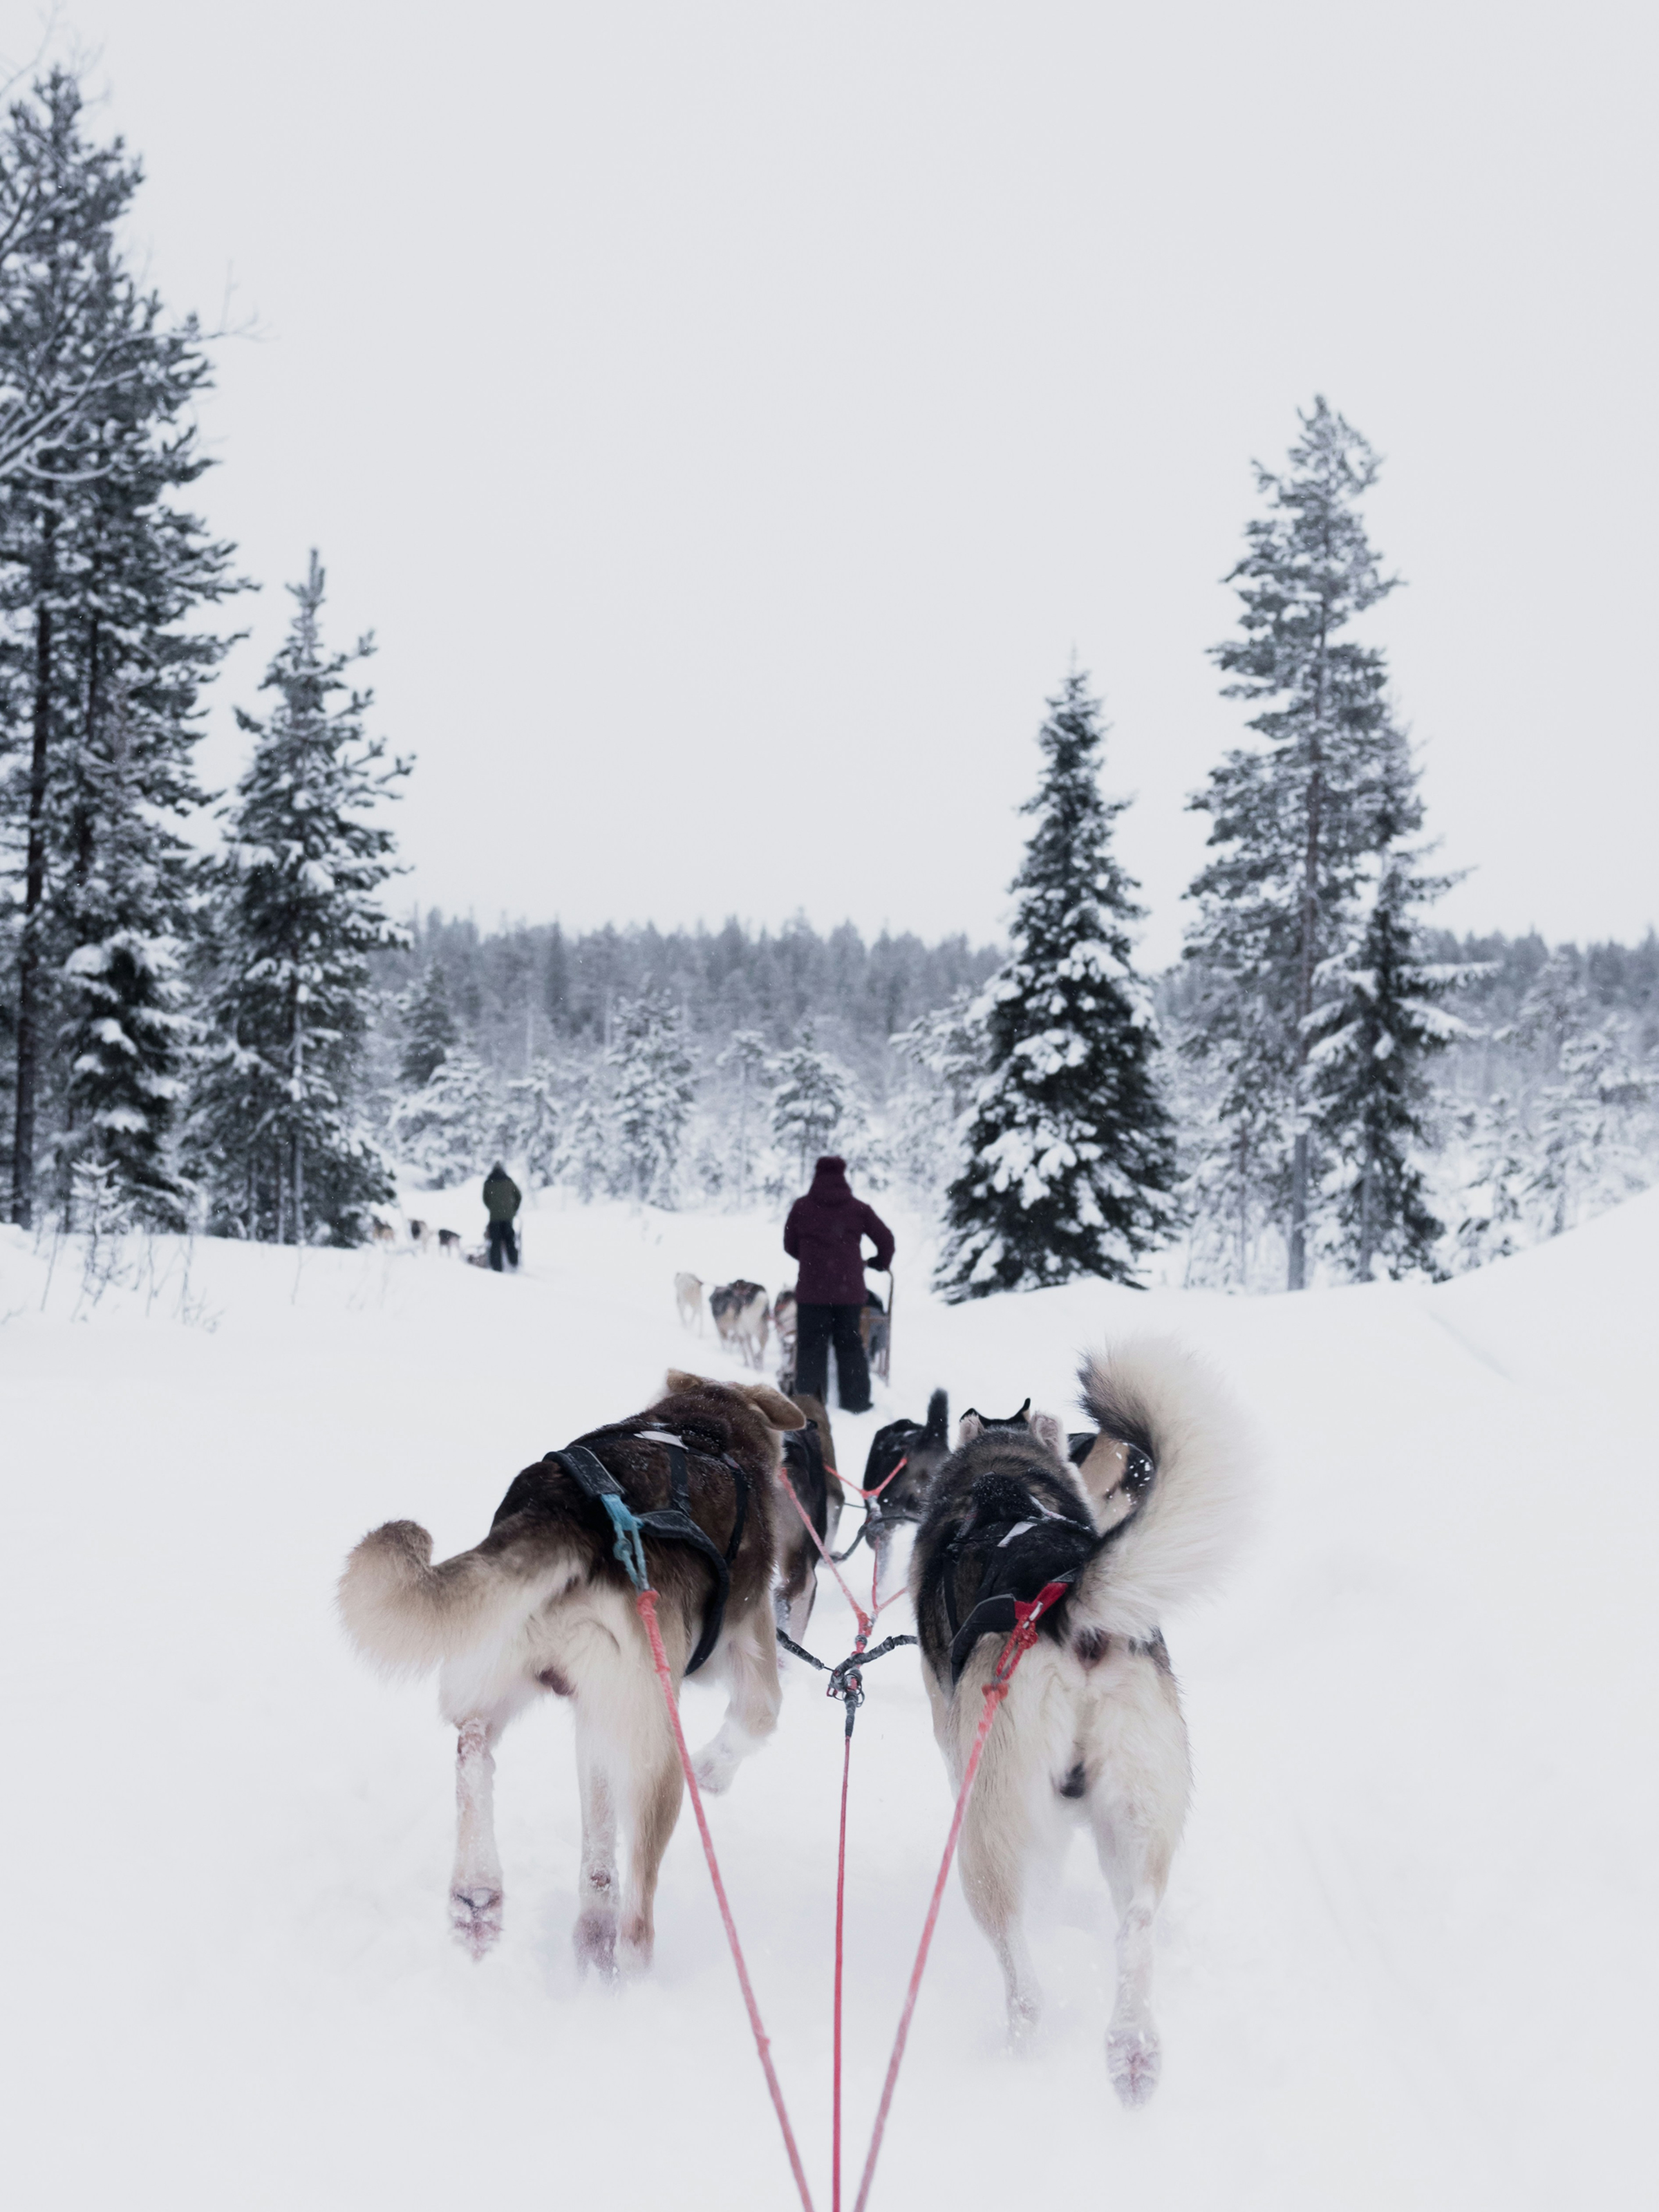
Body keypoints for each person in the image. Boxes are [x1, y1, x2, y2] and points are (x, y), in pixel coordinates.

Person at [782, 1154, 894, 1414]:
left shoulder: (802, 1207)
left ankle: (810, 1405)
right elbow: (886, 1239)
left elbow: (789, 1245)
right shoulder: (858, 1208)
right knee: (850, 1345)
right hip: (849, 1293)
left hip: (811, 1293)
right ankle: (855, 1402)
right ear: (843, 1176)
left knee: (811, 1347)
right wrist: (878, 1262)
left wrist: (812, 1260)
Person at [482, 1161, 521, 1271]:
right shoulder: (509, 1181)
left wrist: (493, 1208)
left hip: (494, 1218)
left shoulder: (488, 1182)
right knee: (509, 1239)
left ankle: (497, 1267)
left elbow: (485, 1199)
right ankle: (514, 1263)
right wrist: (513, 1210)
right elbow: (518, 1196)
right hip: (508, 1217)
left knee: (495, 1242)